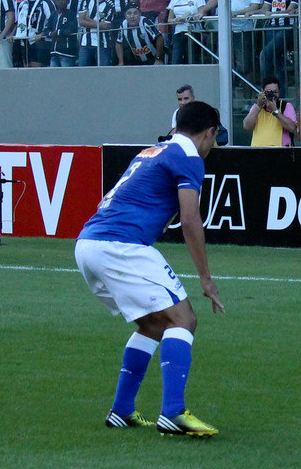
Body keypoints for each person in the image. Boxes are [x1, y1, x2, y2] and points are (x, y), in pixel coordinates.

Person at [74, 100, 223, 437]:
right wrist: (206, 279)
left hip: (89, 244)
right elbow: (189, 219)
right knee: (184, 319)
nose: (212, 146)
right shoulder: (189, 159)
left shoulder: (150, 152)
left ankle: (122, 410)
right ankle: (173, 413)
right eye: (214, 138)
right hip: (121, 245)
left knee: (155, 324)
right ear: (209, 132)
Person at [195, 0, 261, 75]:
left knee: (245, 68)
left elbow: (255, 6)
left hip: (244, 31)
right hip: (224, 30)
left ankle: (246, 94)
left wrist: (236, 13)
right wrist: (203, 11)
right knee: (223, 68)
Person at [258, 0, 298, 93]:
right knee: (276, 60)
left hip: (287, 29)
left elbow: (292, 8)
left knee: (265, 55)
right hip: (272, 27)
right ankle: (280, 93)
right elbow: (265, 8)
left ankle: (267, 89)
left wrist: (274, 13)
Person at [243, 77, 298, 146]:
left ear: (279, 92)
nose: (272, 95)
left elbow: (292, 128)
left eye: (275, 92)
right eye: (269, 92)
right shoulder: (256, 107)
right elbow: (247, 126)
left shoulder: (286, 106)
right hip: (258, 151)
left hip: (281, 151)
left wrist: (275, 111)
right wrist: (258, 106)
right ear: (262, 91)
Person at [15, 0, 56, 67]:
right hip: (24, 42)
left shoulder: (45, 3)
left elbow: (54, 21)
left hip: (40, 42)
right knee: (27, 69)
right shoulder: (22, 5)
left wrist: (43, 34)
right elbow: (18, 23)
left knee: (36, 70)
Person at [167, 0, 205, 64]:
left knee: (192, 60)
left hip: (193, 32)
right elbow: (169, 19)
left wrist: (191, 16)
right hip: (178, 32)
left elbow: (202, 13)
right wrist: (176, 20)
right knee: (176, 60)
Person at [78, 0, 115, 66]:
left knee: (103, 74)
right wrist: (98, 23)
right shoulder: (86, 0)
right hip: (85, 43)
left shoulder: (110, 5)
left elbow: (106, 26)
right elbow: (81, 21)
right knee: (82, 73)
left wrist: (88, 19)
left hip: (103, 44)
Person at [47, 0, 80, 66]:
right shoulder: (53, 15)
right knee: (54, 76)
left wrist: (58, 32)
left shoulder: (71, 15)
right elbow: (47, 28)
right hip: (54, 52)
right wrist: (50, 34)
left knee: (66, 77)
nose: (60, 1)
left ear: (68, 1)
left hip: (67, 53)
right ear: (55, 1)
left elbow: (71, 30)